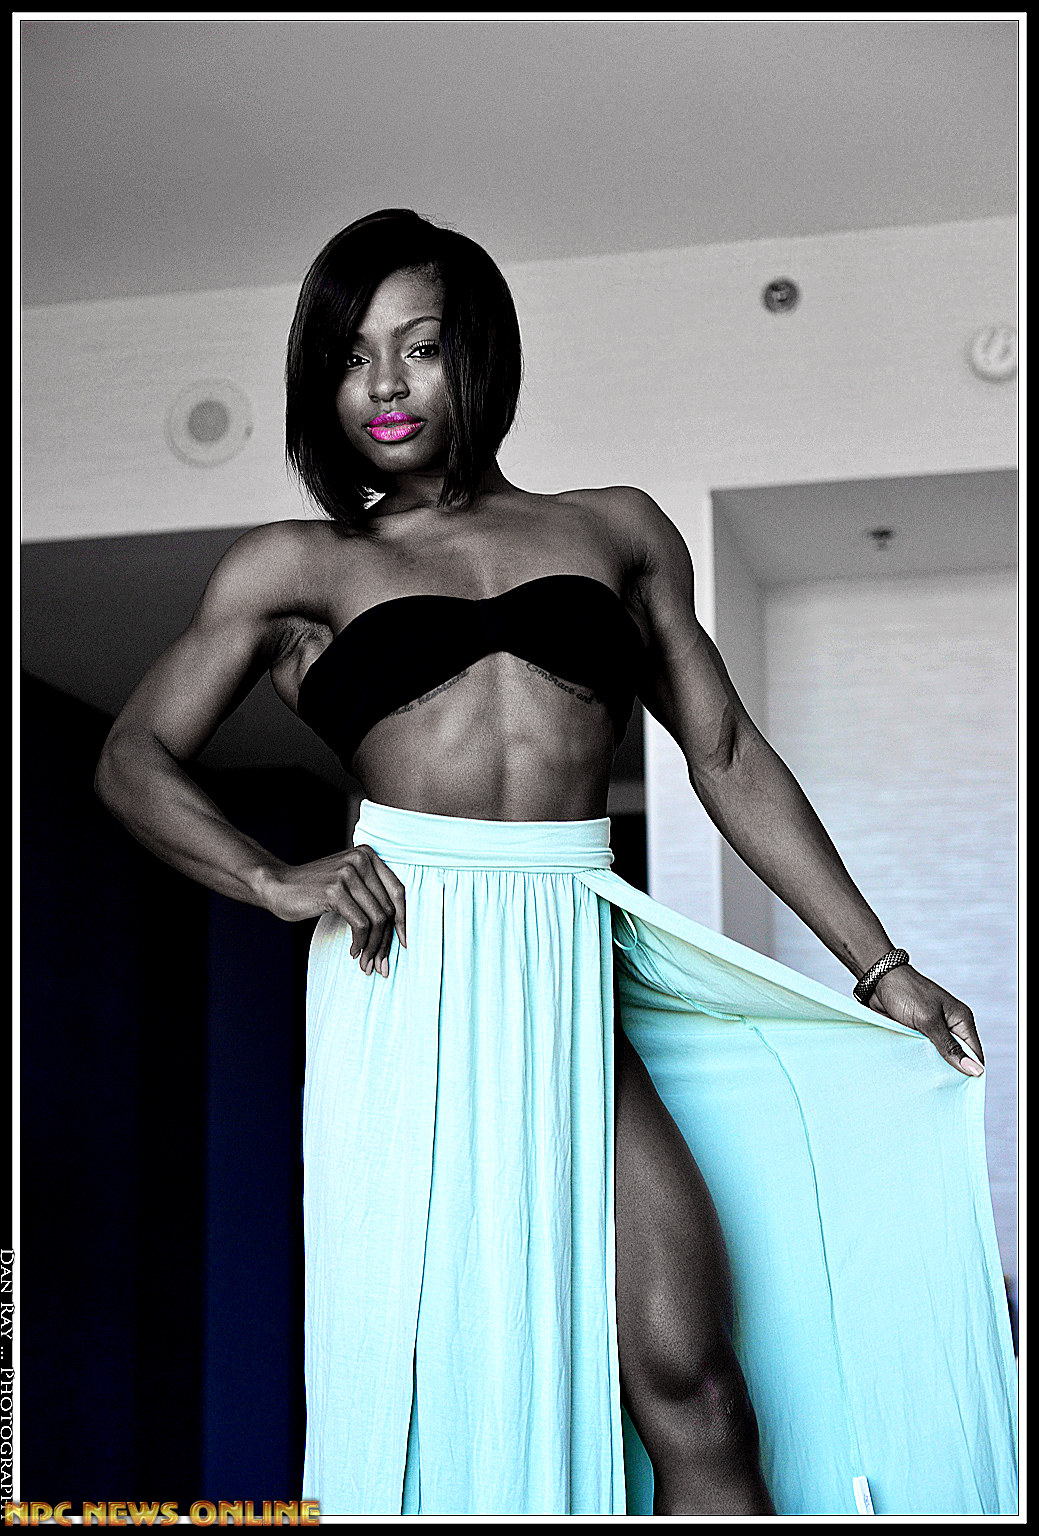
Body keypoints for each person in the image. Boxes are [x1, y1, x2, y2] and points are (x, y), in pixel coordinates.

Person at [95, 209, 1016, 1518]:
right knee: (444, 1400)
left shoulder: (616, 530)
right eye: (353, 357)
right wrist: (270, 878)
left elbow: (726, 753)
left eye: (420, 347)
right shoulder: (299, 565)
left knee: (696, 1382)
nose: (386, 385)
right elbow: (132, 756)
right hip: (405, 980)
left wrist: (883, 967)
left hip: (573, 973)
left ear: (481, 355)